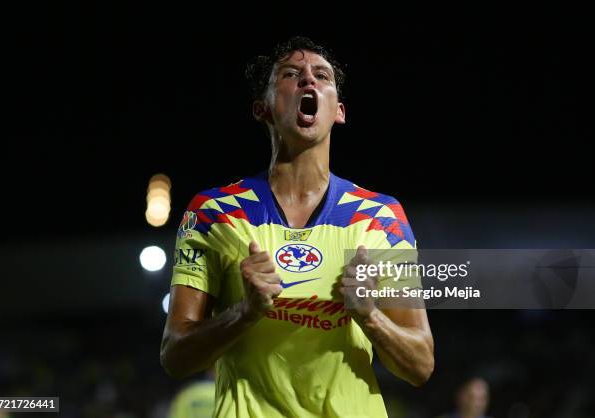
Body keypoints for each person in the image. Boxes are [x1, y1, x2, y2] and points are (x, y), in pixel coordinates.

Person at [160, 36, 434, 418]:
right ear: (263, 108)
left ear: (338, 111)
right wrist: (245, 311)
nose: (309, 80)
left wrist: (369, 314)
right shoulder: (213, 212)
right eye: (292, 74)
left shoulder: (381, 217)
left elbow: (421, 365)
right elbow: (175, 356)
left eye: (321, 76)